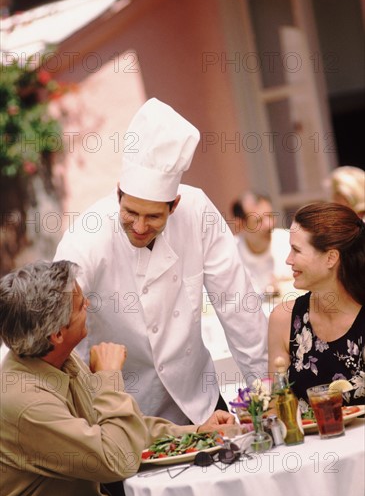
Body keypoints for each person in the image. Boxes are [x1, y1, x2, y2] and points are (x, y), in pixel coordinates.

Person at [54, 98, 268, 425]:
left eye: (153, 216)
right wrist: (82, 420)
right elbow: (63, 327)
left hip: (200, 396)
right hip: (121, 410)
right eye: (130, 212)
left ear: (174, 204)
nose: (140, 227)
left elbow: (237, 304)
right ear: (118, 195)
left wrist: (266, 390)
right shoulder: (87, 236)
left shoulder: (197, 211)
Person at [0, 260, 235, 496]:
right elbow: (118, 459)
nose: (88, 305)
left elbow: (123, 430)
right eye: (80, 306)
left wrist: (198, 432)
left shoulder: (58, 359)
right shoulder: (24, 401)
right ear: (56, 334)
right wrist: (108, 378)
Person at [268, 202, 365, 409]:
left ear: (331, 258)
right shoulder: (283, 320)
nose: (288, 260)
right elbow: (276, 410)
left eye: (296, 250)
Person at [231, 191, 292, 296]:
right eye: (258, 221)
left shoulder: (291, 242)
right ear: (240, 225)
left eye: (270, 216)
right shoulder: (229, 253)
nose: (269, 224)